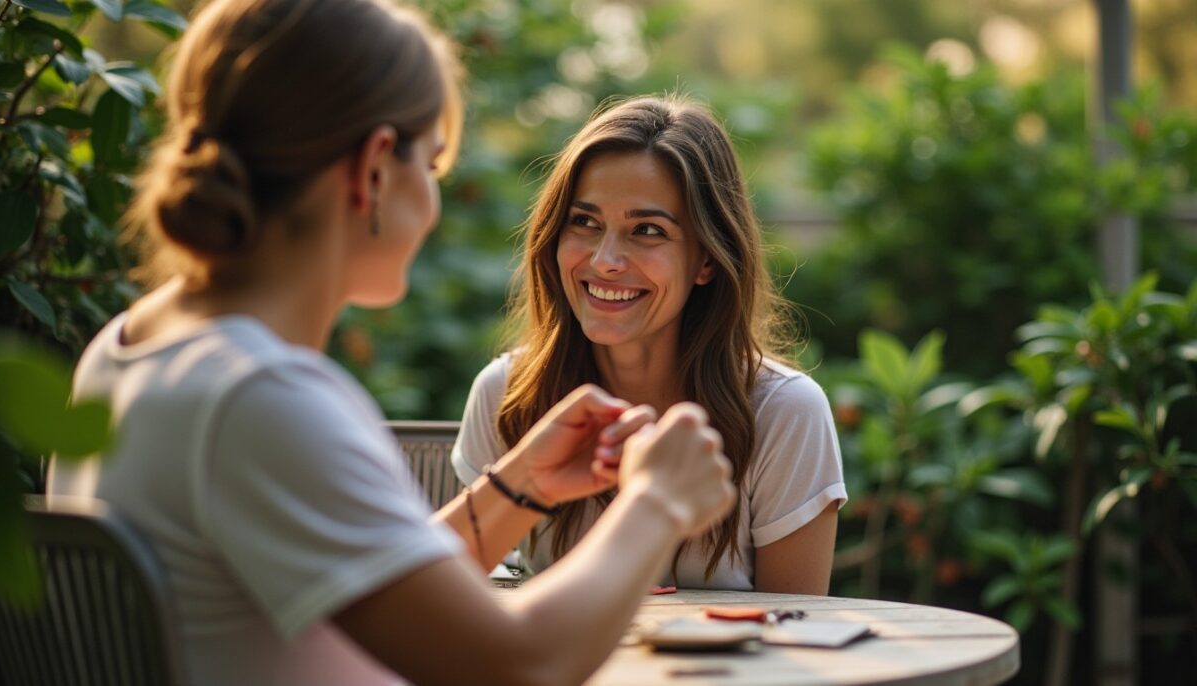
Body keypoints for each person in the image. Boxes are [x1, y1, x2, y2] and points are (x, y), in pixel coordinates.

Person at [46, 1, 736, 685]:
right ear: (376, 168)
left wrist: (520, 485)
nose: (433, 204)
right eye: (431, 168)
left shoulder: (127, 348)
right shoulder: (259, 398)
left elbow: (392, 583)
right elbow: (520, 662)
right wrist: (657, 501)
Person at [452, 96, 847, 594]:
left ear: (707, 259)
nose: (606, 260)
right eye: (585, 222)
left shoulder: (784, 412)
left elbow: (799, 635)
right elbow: (450, 600)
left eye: (647, 230)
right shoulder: (506, 394)